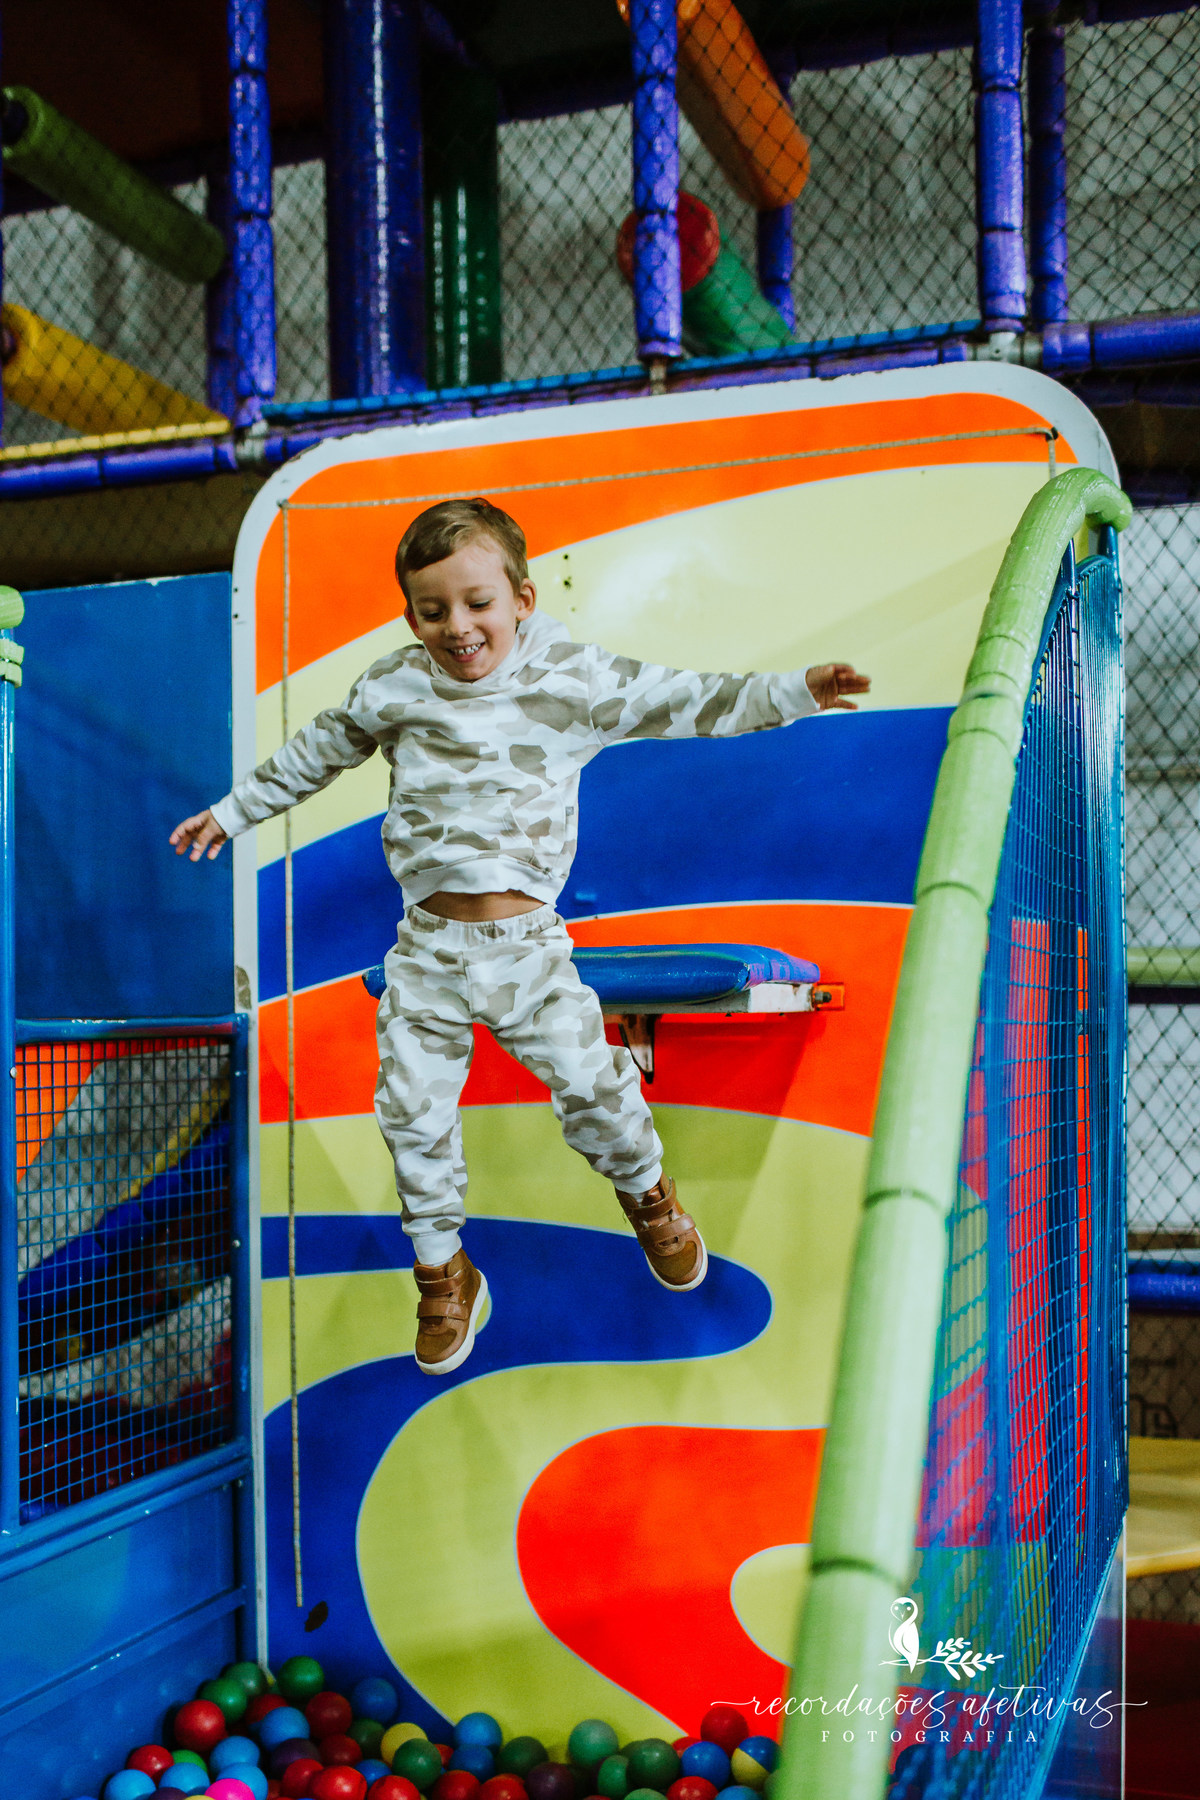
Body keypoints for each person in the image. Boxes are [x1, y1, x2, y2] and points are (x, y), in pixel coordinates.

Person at [171, 497, 870, 1377]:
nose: (458, 628)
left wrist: (794, 693)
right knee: (410, 1118)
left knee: (595, 1093)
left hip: (528, 950)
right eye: (433, 612)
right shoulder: (393, 687)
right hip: (425, 951)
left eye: (477, 604)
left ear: (523, 600)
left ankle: (650, 1197)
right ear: (410, 616)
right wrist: (231, 813)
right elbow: (314, 753)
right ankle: (442, 1274)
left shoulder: (568, 680)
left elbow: (687, 699)